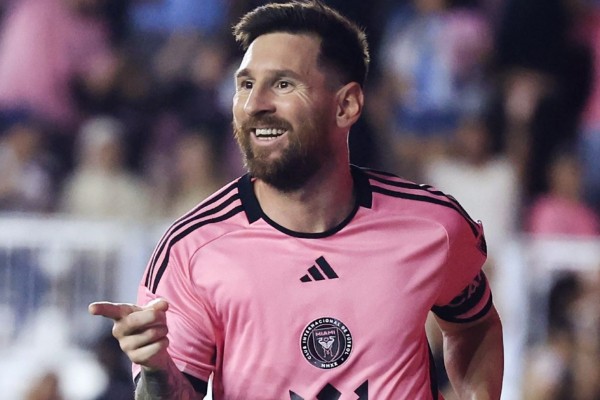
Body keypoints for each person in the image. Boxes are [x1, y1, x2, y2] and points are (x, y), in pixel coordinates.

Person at [89, 1, 504, 399]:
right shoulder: (191, 249)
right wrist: (156, 370)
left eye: (283, 84)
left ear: (346, 105)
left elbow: (475, 326)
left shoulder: (434, 226)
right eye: (245, 85)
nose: (254, 105)